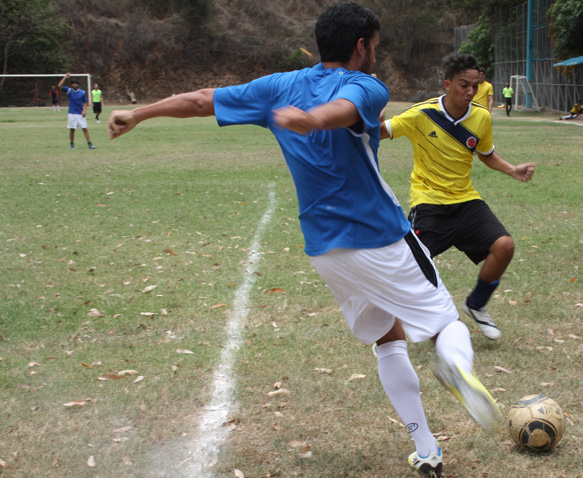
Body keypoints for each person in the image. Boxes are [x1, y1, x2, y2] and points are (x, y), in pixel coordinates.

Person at [107, 4, 500, 477]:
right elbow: (346, 109)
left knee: (386, 337)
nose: (376, 53)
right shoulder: (369, 86)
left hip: (326, 250)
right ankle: (455, 366)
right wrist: (314, 120)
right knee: (445, 324)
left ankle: (427, 448)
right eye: (375, 45)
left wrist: (139, 113)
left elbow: (200, 100)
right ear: (361, 45)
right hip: (380, 236)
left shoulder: (279, 86)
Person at [380, 53, 535, 342]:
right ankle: (389, 334)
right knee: (408, 268)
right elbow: (380, 132)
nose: (470, 91)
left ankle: (476, 304)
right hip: (429, 202)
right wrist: (370, 113)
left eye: (475, 86)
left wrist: (512, 169)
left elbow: (486, 153)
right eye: (464, 85)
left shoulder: (481, 117)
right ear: (448, 84)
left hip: (466, 201)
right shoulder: (421, 114)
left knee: (504, 246)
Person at [58, 74, 95, 149]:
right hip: (72, 113)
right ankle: (72, 144)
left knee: (84, 128)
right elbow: (59, 86)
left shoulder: (82, 92)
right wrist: (65, 77)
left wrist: (84, 111)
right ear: (71, 85)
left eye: (76, 83)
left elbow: (85, 102)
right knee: (72, 129)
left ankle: (90, 144)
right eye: (73, 83)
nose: (74, 85)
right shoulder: (69, 91)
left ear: (78, 84)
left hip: (80, 113)